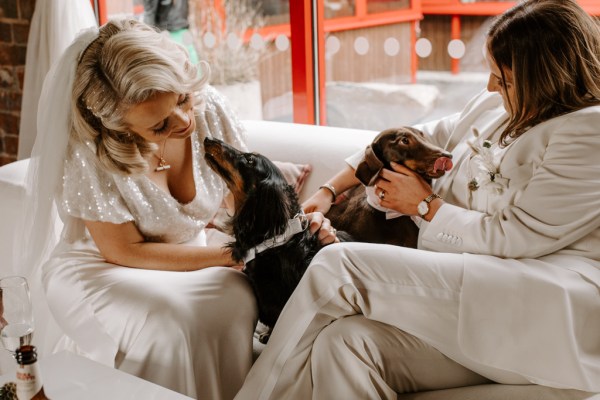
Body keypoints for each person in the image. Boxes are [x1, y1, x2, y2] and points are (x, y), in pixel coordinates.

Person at [234, 0, 600, 398]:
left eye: (504, 79)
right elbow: (405, 135)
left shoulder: (588, 131)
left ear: (546, 78)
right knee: (345, 343)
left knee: (338, 264)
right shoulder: (494, 104)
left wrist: (424, 205)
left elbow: (517, 235)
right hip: (469, 291)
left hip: (539, 300)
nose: (491, 86)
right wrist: (328, 191)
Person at [15, 18, 336, 399]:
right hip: (101, 268)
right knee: (173, 324)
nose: (185, 122)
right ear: (119, 128)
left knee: (237, 299)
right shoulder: (89, 151)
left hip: (192, 256)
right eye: (159, 125)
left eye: (183, 99)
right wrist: (230, 255)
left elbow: (248, 203)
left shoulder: (209, 109)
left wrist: (298, 229)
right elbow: (122, 249)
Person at [143, 0, 200, 64]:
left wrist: (147, 39)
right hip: (181, 27)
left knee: (182, 59)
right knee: (190, 55)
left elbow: (149, 13)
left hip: (168, 31)